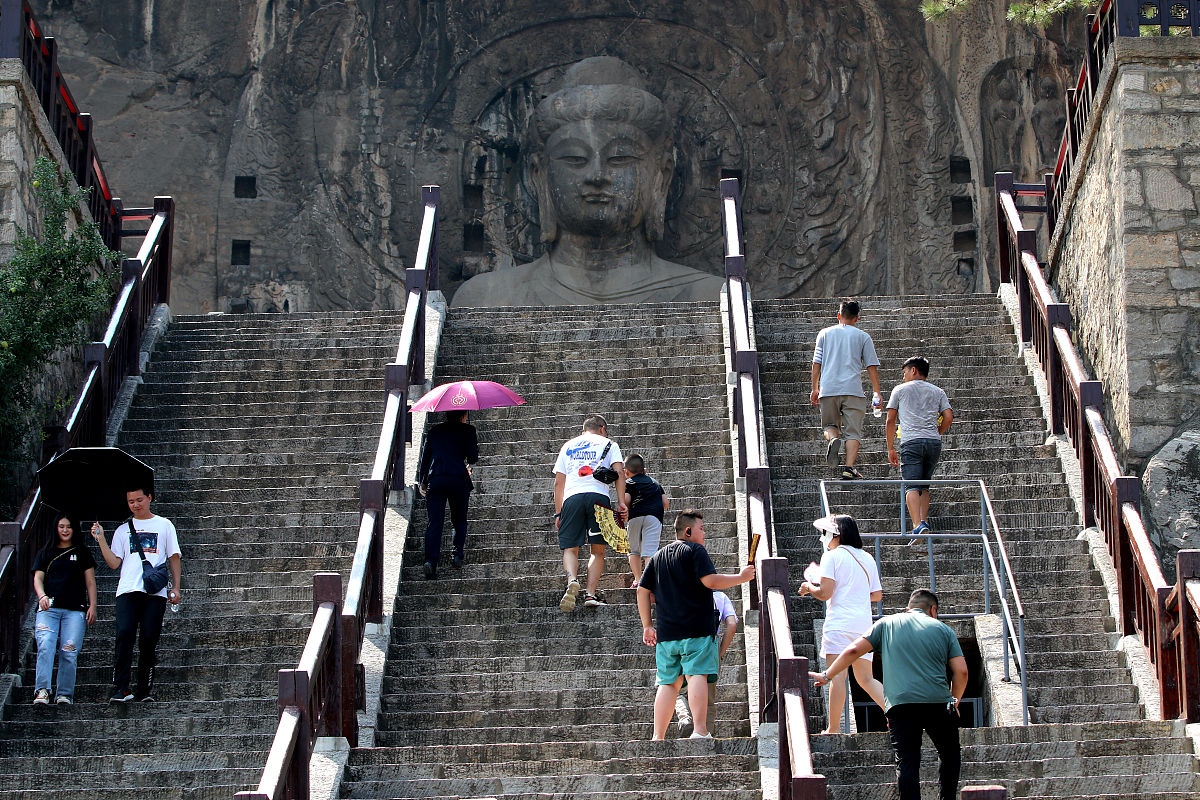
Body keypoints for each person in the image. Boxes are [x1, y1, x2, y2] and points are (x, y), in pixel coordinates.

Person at [452, 56, 724, 307]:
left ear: (661, 176)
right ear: (539, 175)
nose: (597, 176)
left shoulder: (711, 297)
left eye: (620, 158)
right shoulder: (486, 299)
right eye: (574, 158)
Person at [811, 589, 968, 800]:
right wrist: (954, 702)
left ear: (908, 609)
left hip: (900, 706)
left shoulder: (887, 624)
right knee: (949, 755)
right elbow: (962, 672)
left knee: (907, 762)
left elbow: (852, 651)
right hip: (938, 703)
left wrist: (827, 675)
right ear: (933, 610)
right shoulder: (943, 629)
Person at [637, 510, 755, 740]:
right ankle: (700, 731)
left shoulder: (658, 556)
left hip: (668, 634)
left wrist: (647, 625)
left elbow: (642, 590)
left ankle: (658, 736)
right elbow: (710, 581)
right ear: (688, 530)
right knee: (697, 676)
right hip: (697, 630)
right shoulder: (695, 550)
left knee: (668, 683)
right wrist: (741, 577)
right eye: (701, 529)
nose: (704, 534)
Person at [91, 486, 182, 703]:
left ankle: (144, 689)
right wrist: (101, 539)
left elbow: (174, 556)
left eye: (139, 500)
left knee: (149, 639)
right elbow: (114, 563)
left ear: (149, 498)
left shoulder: (164, 525)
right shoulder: (123, 530)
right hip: (127, 590)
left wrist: (176, 588)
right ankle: (121, 687)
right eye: (131, 501)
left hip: (155, 592)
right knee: (124, 635)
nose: (135, 505)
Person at [797, 514, 886, 733]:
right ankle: (900, 714)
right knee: (866, 679)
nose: (822, 539)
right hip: (863, 625)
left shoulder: (832, 556)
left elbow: (825, 593)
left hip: (839, 623)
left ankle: (834, 728)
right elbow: (876, 595)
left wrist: (809, 588)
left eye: (824, 534)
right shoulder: (867, 557)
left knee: (837, 677)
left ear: (836, 535)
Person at [553, 415, 627, 610]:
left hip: (572, 498)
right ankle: (590, 594)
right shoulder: (610, 444)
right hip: (598, 498)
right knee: (597, 550)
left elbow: (559, 482)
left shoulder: (568, 446)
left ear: (584, 429)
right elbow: (619, 473)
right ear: (602, 428)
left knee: (570, 548)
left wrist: (558, 512)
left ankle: (572, 580)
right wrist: (621, 503)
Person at [810, 299, 882, 480]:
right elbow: (871, 366)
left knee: (829, 425)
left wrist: (814, 388)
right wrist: (876, 392)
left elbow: (816, 363)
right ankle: (849, 468)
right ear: (857, 318)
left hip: (828, 389)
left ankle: (833, 439)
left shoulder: (824, 334)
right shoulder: (863, 337)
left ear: (838, 315)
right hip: (853, 390)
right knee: (853, 432)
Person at [30, 515, 97, 705]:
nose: (65, 530)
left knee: (69, 650)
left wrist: (93, 605)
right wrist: (41, 596)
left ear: (74, 529)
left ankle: (64, 693)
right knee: (45, 645)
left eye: (69, 526)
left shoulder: (82, 553)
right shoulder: (46, 552)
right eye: (61, 526)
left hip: (75, 610)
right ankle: (42, 690)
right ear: (56, 528)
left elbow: (90, 581)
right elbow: (37, 578)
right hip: (49, 608)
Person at [886, 356, 953, 541]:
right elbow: (948, 416)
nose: (904, 376)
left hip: (911, 441)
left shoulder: (899, 390)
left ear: (913, 370)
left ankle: (917, 525)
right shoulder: (938, 391)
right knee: (924, 485)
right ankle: (924, 522)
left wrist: (890, 447)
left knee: (911, 486)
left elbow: (890, 419)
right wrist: (938, 431)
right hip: (933, 442)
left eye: (905, 372)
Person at [417, 409, 479, 578]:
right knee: (459, 520)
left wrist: (422, 481)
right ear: (463, 415)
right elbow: (473, 457)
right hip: (458, 479)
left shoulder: (434, 432)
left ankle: (430, 561)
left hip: (436, 479)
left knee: (434, 522)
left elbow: (425, 460)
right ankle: (457, 554)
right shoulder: (468, 430)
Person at [674, 589, 737, 738]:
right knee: (708, 696)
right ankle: (704, 735)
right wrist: (720, 653)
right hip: (710, 647)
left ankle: (685, 717)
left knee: (675, 689)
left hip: (684, 644)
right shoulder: (720, 596)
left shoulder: (682, 591)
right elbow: (732, 624)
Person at [622, 453, 669, 588]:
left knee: (633, 550)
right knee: (649, 552)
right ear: (645, 470)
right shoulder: (655, 483)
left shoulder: (629, 483)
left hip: (635, 517)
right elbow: (665, 503)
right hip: (653, 517)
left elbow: (626, 501)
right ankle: (649, 582)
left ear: (626, 472)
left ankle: (637, 579)